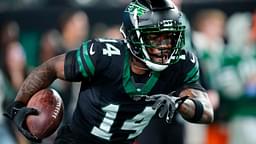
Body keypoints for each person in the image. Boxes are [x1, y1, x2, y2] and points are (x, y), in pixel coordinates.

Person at [3, 0, 213, 144]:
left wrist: (180, 103)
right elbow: (50, 68)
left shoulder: (181, 63)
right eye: (155, 38)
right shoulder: (104, 56)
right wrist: (19, 104)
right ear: (133, 36)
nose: (165, 46)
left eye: (169, 37)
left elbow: (206, 111)